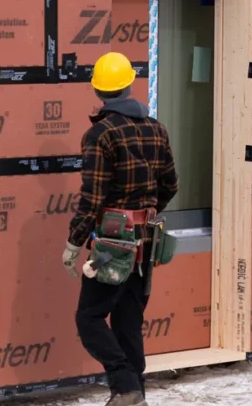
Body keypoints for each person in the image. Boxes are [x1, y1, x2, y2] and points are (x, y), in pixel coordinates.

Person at [61, 51, 178, 406]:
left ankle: (125, 386)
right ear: (128, 85)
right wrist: (144, 214)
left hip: (113, 243)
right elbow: (170, 185)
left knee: (90, 318)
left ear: (99, 91)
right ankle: (134, 395)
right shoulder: (156, 128)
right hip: (145, 242)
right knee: (128, 320)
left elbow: (93, 197)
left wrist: (73, 242)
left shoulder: (100, 134)